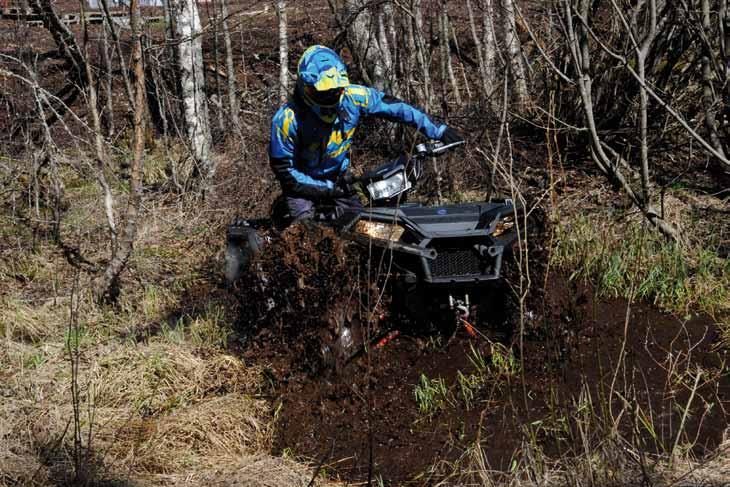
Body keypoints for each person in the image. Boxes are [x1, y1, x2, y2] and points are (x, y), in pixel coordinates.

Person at [269, 45, 464, 223]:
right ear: (305, 87)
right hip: (302, 185)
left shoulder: (354, 97)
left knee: (361, 226)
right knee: (305, 235)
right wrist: (326, 190)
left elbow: (396, 108)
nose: (329, 97)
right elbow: (285, 172)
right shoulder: (286, 120)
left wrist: (438, 130)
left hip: (338, 178)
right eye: (321, 93)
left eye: (335, 92)